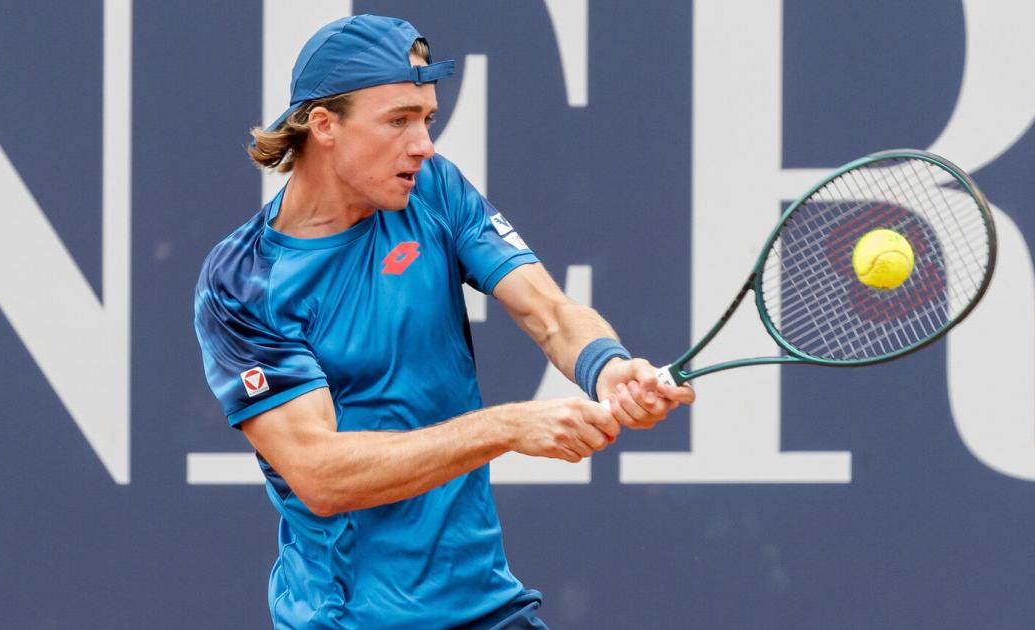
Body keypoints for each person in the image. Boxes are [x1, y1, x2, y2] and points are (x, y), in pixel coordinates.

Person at [193, 14, 694, 629]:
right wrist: (508, 427)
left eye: (426, 119)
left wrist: (609, 368)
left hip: (487, 606)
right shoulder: (244, 284)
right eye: (398, 119)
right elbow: (320, 473)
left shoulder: (432, 188)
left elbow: (550, 312)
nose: (423, 143)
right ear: (324, 125)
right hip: (349, 619)